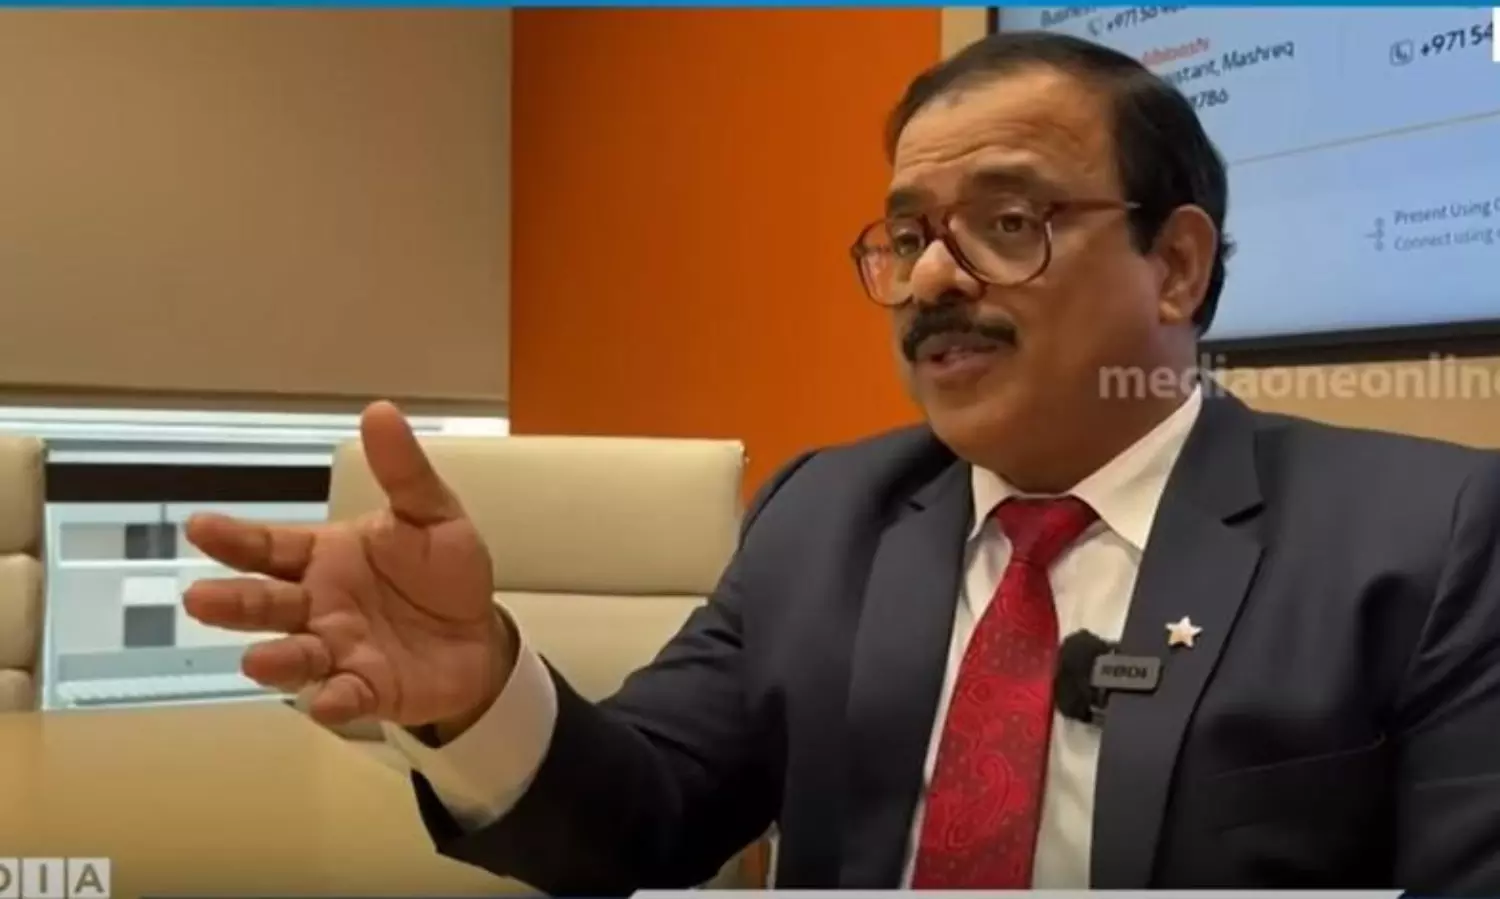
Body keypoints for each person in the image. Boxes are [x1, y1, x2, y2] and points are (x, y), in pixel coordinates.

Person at [183, 30, 1500, 894]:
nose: (930, 279)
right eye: (907, 235)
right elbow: (642, 818)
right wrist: (480, 691)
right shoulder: (825, 512)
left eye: (1007, 221)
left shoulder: (1428, 535)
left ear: (1176, 265)